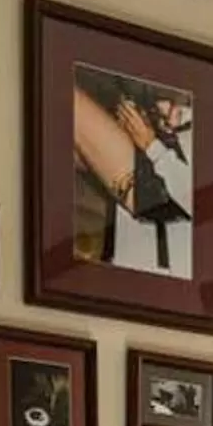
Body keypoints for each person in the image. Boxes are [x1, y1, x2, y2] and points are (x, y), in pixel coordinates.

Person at [70, 71, 192, 278]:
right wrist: (182, 115)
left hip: (161, 194)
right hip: (165, 162)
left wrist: (151, 145)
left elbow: (204, 197)